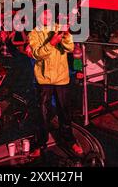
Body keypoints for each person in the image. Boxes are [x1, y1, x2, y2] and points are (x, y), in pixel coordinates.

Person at [28, 8, 83, 156]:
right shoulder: (33, 33)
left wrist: (65, 35)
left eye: (49, 14)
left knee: (65, 112)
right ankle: (40, 144)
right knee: (43, 113)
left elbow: (70, 47)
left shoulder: (60, 28)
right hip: (44, 79)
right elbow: (36, 54)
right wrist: (51, 43)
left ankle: (69, 141)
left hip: (61, 78)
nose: (47, 16)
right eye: (44, 14)